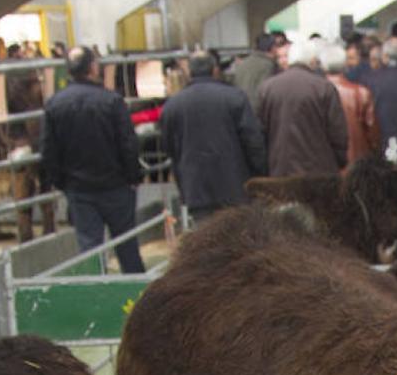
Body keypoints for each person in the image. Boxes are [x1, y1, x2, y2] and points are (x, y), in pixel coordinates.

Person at [40, 46, 143, 274]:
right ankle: (137, 294)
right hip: (116, 185)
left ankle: (96, 296)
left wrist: (61, 182)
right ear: (93, 67)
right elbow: (128, 143)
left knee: (90, 248)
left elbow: (49, 151)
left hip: (79, 189)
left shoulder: (55, 104)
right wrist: (133, 176)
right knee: (127, 245)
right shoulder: (111, 101)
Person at [160, 51, 267, 220]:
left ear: (189, 72)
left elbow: (170, 148)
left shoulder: (172, 106)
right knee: (240, 240)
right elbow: (253, 142)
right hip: (235, 186)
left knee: (206, 241)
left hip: (196, 188)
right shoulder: (234, 97)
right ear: (215, 70)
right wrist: (260, 175)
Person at [257, 38, 353, 178]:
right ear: (312, 61)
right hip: (319, 169)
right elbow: (337, 131)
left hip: (280, 168)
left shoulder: (267, 88)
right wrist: (340, 160)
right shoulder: (324, 88)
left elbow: (260, 131)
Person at [321, 44, 382, 163]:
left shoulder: (314, 94)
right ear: (345, 65)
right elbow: (373, 134)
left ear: (323, 66)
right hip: (357, 163)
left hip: (324, 164)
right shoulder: (360, 93)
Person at [230, 32, 287, 110]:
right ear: (272, 48)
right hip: (259, 113)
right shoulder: (269, 66)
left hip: (241, 110)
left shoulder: (243, 64)